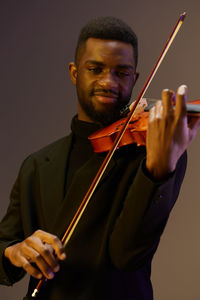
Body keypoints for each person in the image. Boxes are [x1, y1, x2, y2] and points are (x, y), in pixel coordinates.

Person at [0, 16, 200, 300]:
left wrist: (157, 169)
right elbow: (3, 246)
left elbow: (128, 255)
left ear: (136, 79)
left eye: (122, 72)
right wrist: (15, 250)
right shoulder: (37, 164)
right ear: (74, 73)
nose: (108, 82)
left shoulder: (157, 149)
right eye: (95, 69)